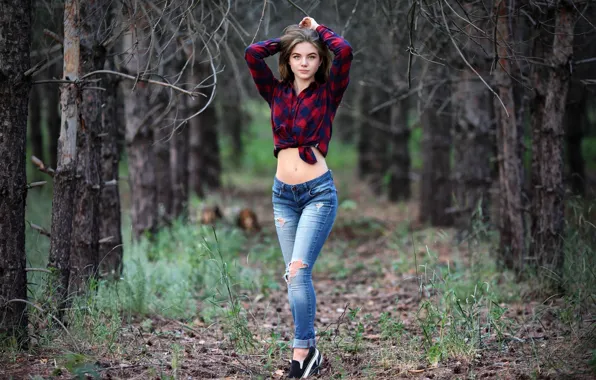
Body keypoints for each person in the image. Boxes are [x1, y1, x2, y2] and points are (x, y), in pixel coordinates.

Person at [245, 16, 352, 378]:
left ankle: (302, 353)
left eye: (312, 56)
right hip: (282, 197)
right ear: (288, 61)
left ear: (321, 61)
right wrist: (287, 39)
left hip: (318, 194)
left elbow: (346, 51)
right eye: (297, 57)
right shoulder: (275, 92)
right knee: (293, 277)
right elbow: (251, 54)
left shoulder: (328, 93)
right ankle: (309, 353)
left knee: (298, 271)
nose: (304, 63)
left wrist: (319, 31)